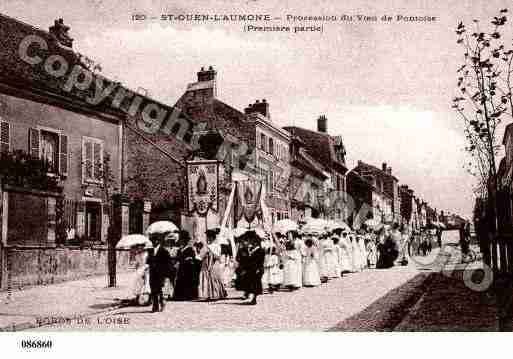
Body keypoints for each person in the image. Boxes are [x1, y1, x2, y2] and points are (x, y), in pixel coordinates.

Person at [198, 229, 228, 301]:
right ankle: (210, 294)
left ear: (212, 237)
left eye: (209, 237)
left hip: (213, 263)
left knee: (213, 278)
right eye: (207, 237)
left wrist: (210, 253)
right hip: (207, 263)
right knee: (209, 278)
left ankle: (215, 293)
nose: (208, 238)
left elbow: (217, 256)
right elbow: (201, 255)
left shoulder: (215, 246)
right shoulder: (208, 246)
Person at [148, 232, 173, 312]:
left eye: (155, 241)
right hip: (152, 273)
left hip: (160, 273)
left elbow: (168, 262)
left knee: (159, 289)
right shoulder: (150, 251)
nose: (154, 242)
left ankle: (162, 302)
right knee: (153, 289)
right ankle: (155, 306)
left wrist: (166, 273)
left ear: (158, 241)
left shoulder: (163, 251)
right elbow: (148, 261)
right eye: (152, 241)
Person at [173, 231, 201, 301]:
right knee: (180, 281)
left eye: (182, 240)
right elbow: (178, 258)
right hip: (181, 268)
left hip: (188, 269)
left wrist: (188, 259)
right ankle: (180, 295)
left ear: (185, 240)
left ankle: (189, 295)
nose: (181, 242)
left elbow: (193, 258)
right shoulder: (180, 249)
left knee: (187, 281)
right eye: (181, 240)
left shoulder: (190, 249)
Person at [244, 232, 266, 305]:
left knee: (255, 284)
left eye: (253, 242)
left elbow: (260, 261)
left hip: (257, 269)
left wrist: (258, 269)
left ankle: (254, 299)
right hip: (252, 269)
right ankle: (252, 298)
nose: (252, 243)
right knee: (252, 284)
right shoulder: (252, 250)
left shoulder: (260, 250)